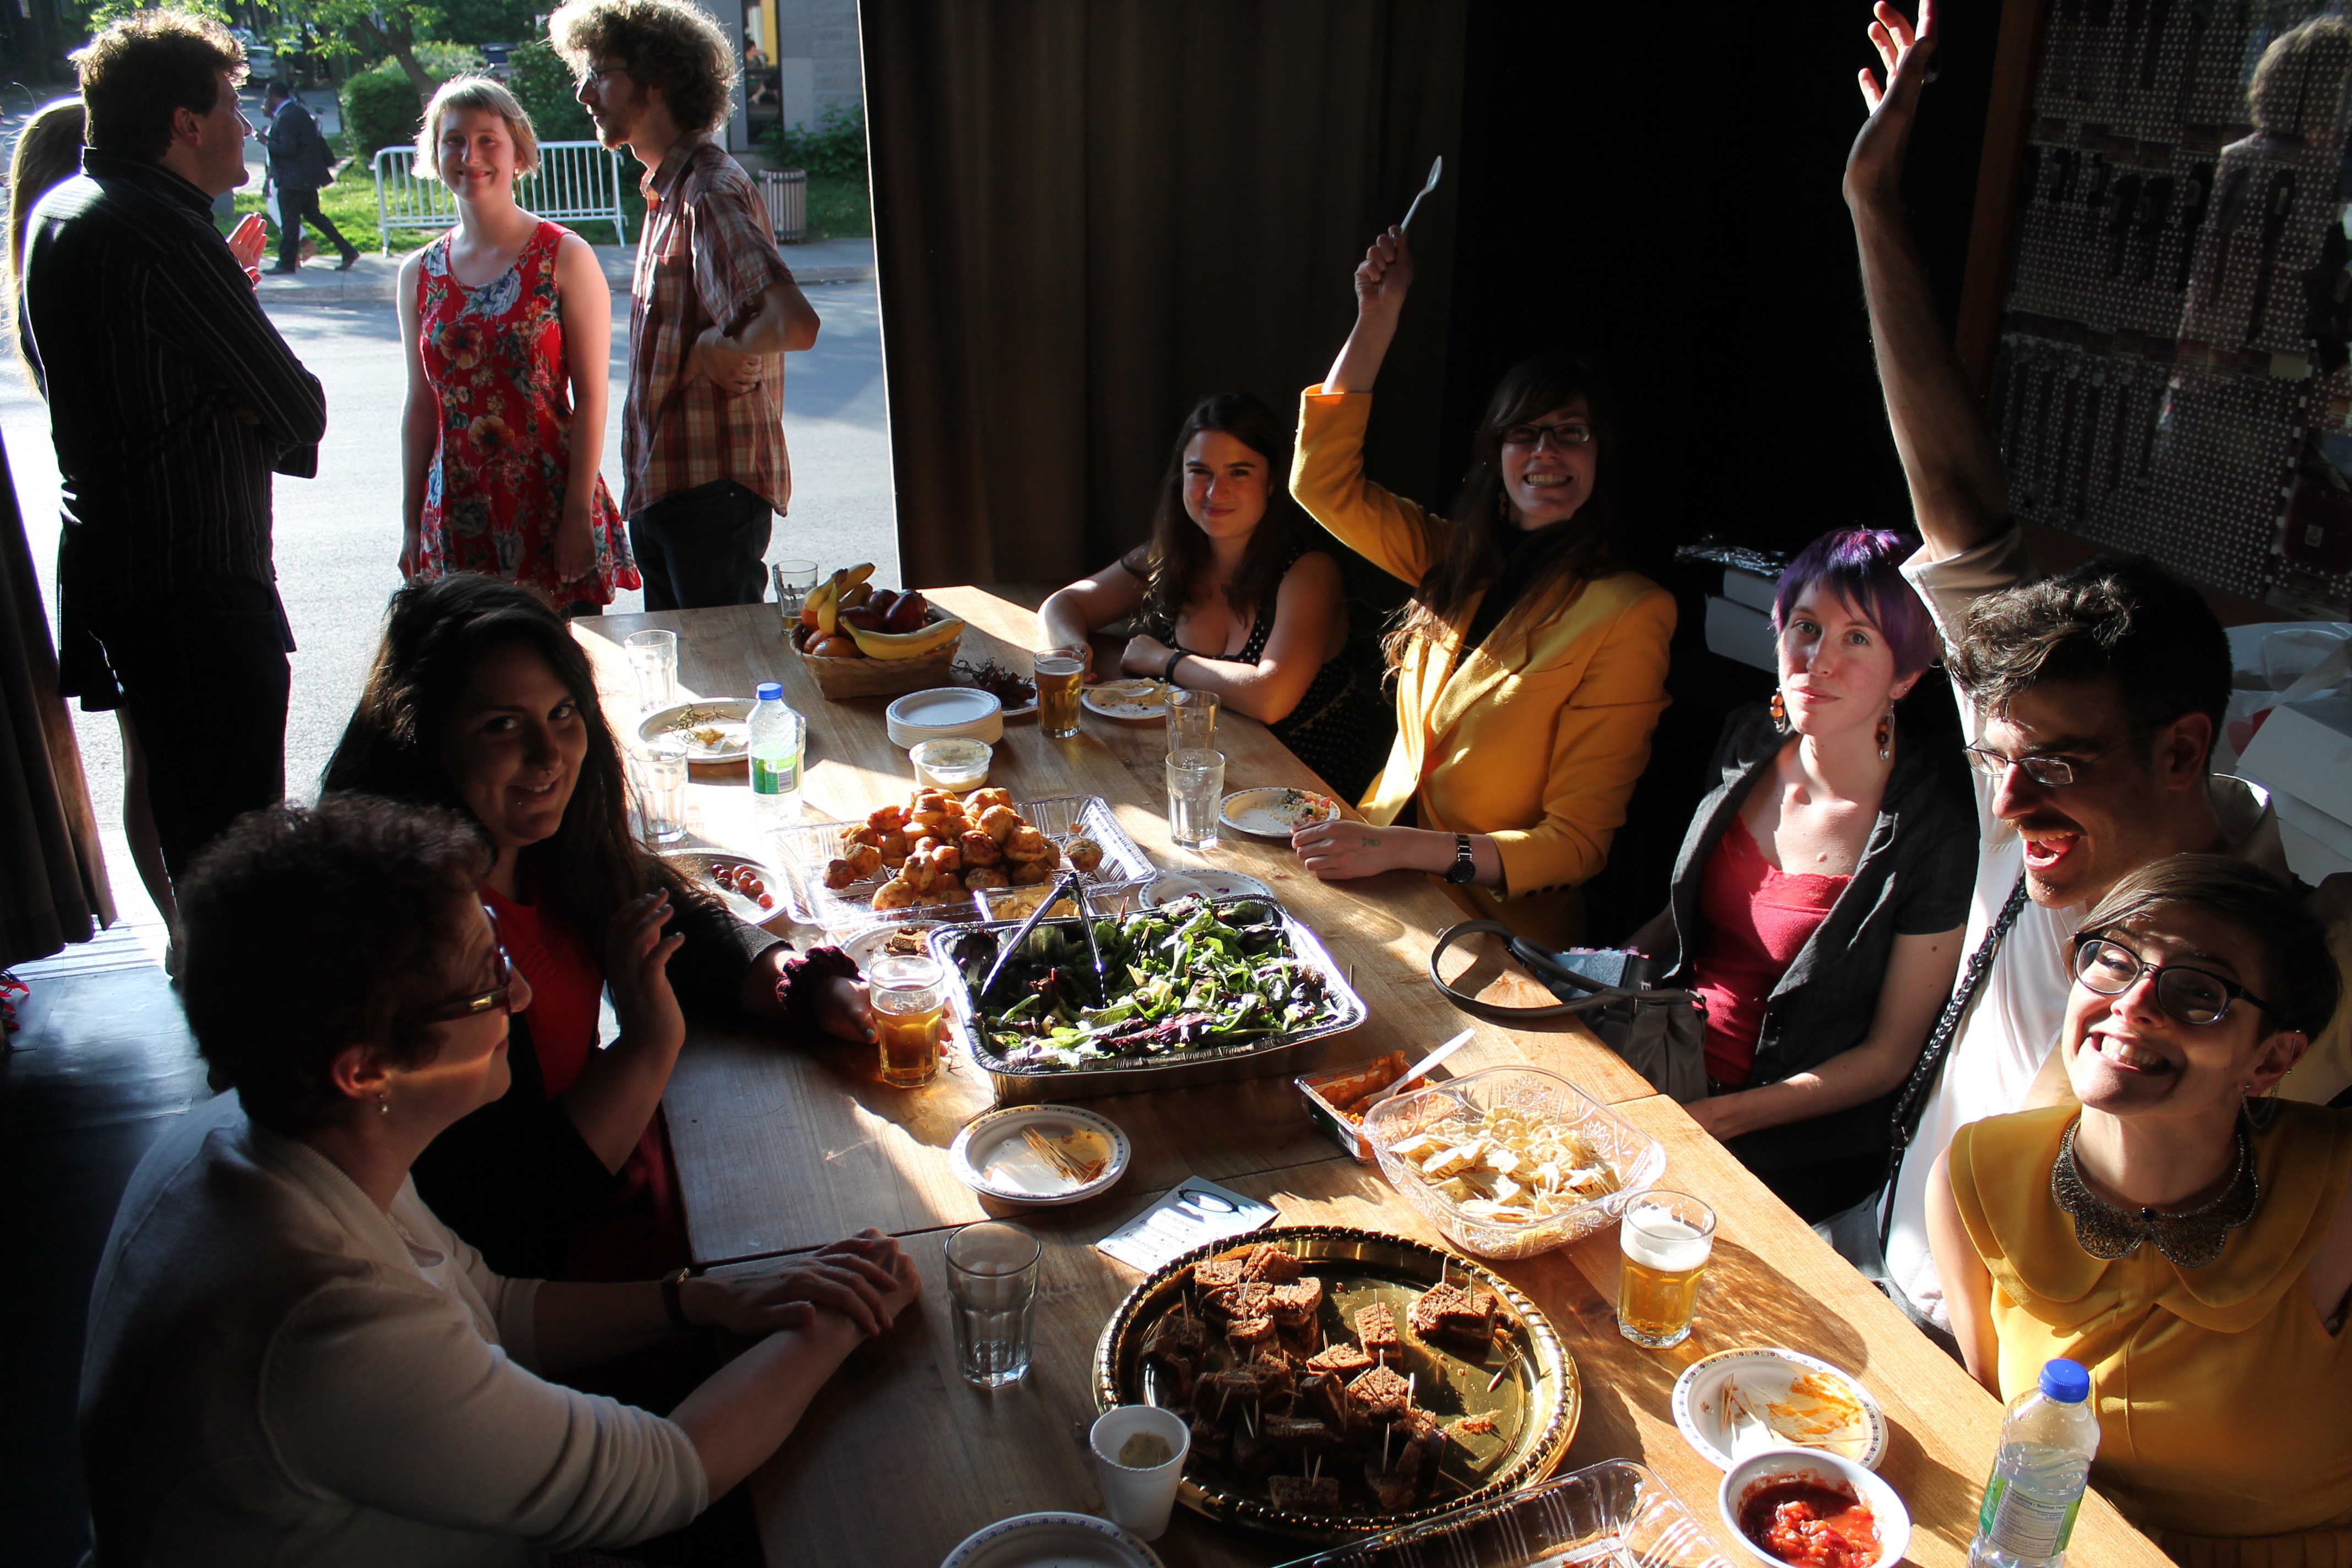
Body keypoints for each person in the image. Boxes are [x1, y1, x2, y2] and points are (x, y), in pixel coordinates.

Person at [1846, 0, 2352, 1336]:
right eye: (2001, 760)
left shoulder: (2274, 959)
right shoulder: (2039, 781)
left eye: (2053, 766)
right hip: (1875, 1265)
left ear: (2183, 748)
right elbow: (1962, 513)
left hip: (2027, 1377)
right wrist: (1871, 204)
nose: (2008, 801)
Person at [80, 793, 921, 1566]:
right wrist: (838, 1317)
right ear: (365, 1070)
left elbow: (491, 1305)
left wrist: (702, 1298)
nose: (519, 995)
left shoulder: (265, 1131)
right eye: (485, 984)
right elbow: (663, 1478)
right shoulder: (323, 1321)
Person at [323, 575, 872, 1280]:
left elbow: (676, 922)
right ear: (423, 739)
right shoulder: (419, 938)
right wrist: (649, 1041)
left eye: (562, 712)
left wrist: (808, 987)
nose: (549, 755)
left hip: (618, 1173)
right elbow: (512, 1211)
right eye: (501, 725)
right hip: (558, 1262)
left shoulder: (539, 847)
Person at [1927, 855, 2351, 1560]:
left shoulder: (2338, 1196)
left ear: (2272, 1060)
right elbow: (1996, 1435)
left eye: (2198, 991)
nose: (2132, 1002)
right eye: (2114, 961)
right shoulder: (1974, 1176)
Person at [1288, 225, 1675, 948]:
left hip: (1493, 931)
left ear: (1602, 455)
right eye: (1524, 433)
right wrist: (1377, 319)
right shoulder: (1454, 558)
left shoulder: (1631, 612)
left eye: (1571, 432)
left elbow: (1575, 845)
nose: (1546, 451)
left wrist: (1404, 849)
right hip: (1378, 878)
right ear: (1496, 453)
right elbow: (1322, 484)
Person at [20, 10, 325, 891]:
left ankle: (202, 959)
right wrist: (239, 392)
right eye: (231, 104)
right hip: (200, 592)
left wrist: (231, 389)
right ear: (185, 124)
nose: (248, 126)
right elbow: (299, 408)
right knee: (239, 853)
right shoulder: (162, 233)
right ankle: (236, 981)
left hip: (130, 581)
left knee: (191, 828)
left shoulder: (65, 210)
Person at [1626, 528, 1974, 1222]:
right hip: (1661, 1060)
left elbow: (1888, 1057)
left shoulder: (1935, 829)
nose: (1819, 660)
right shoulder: (1748, 739)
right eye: (1807, 627)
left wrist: (1715, 1120)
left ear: (1906, 676)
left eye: (1858, 639)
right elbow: (1682, 917)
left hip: (1784, 1150)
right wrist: (1598, 980)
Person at [552, 0, 822, 611]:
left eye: (599, 74)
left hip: (708, 498)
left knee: (726, 667)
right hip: (672, 492)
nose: (584, 94)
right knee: (690, 671)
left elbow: (794, 323)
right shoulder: (671, 192)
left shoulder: (707, 190)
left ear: (657, 80)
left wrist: (717, 347)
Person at [1037, 391, 1393, 799]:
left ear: (1272, 481)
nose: (1214, 491)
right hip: (1207, 772)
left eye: (1239, 472)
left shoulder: (1310, 571)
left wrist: (1165, 660)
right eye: (1200, 472)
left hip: (1308, 791)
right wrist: (1072, 649)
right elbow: (1062, 604)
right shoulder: (1170, 557)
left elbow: (1270, 698)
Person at [396, 75, 638, 614]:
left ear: (519, 153)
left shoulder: (563, 256)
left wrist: (576, 514)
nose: (470, 156)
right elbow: (421, 406)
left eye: (488, 140)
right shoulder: (418, 273)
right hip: (456, 512)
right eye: (454, 140)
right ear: (435, 153)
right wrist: (412, 522)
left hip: (548, 506)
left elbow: (592, 398)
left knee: (563, 662)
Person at [261, 79, 357, 273]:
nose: (266, 101)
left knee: (290, 223)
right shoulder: (299, 112)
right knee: (315, 217)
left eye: (267, 97)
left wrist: (266, 141)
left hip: (292, 180)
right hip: (307, 178)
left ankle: (286, 263)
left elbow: (288, 149)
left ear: (274, 97)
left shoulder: (286, 117)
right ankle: (348, 251)